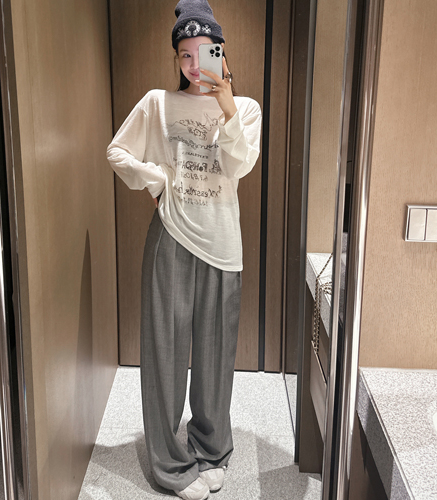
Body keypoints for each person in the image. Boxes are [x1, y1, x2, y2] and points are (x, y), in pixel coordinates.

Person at [106, 1, 262, 498]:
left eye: (205, 52)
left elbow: (238, 166)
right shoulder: (158, 103)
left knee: (215, 359)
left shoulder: (246, 110)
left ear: (221, 52)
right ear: (176, 58)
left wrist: (227, 103)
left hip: (223, 244)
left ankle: (211, 450)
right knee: (165, 357)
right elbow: (117, 151)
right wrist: (156, 179)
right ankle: (170, 465)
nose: (195, 65)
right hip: (171, 238)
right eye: (185, 54)